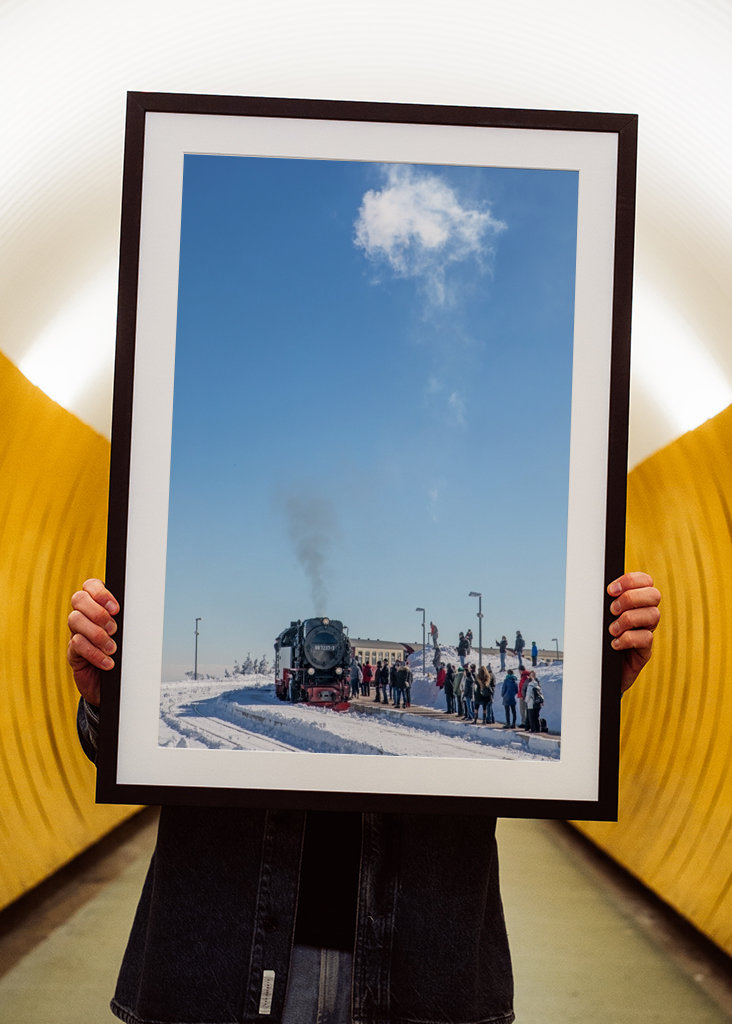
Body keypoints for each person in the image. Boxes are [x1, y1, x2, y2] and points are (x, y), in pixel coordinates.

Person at [68, 572, 660, 1024]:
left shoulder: (350, 654)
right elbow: (118, 753)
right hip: (222, 958)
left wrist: (593, 704)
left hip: (422, 965)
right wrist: (108, 703)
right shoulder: (286, 654)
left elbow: (557, 770)